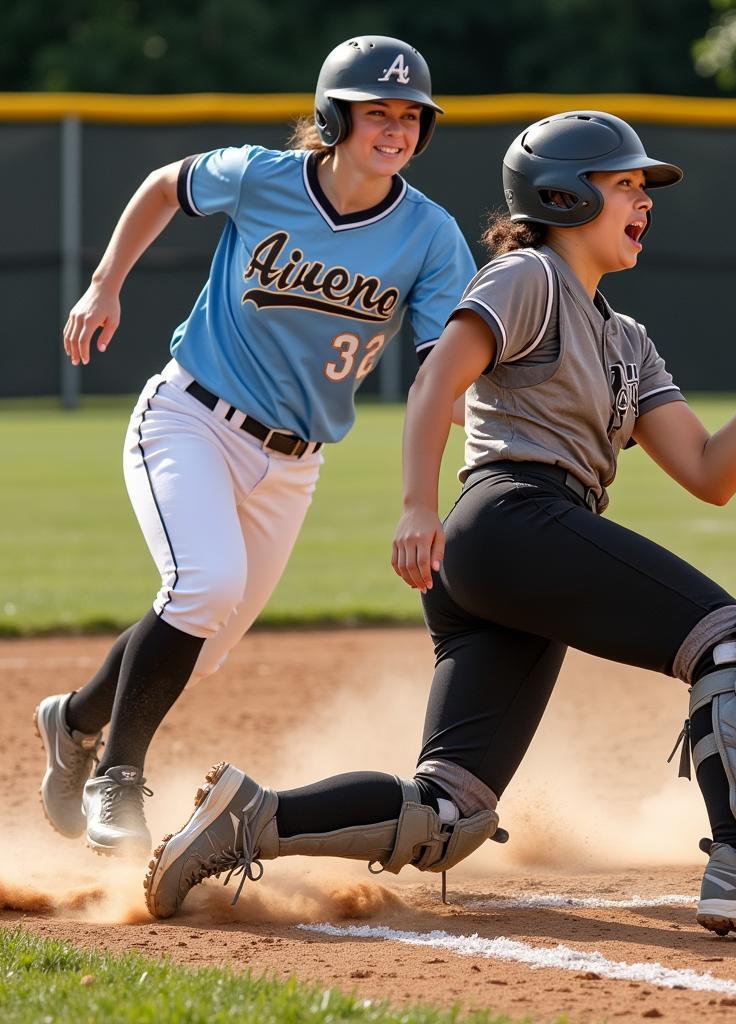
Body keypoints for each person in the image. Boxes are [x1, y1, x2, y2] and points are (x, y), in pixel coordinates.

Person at [143, 110, 736, 940]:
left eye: (644, 189)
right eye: (624, 186)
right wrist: (416, 506)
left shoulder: (627, 341)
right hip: (509, 518)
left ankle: (248, 819)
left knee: (449, 816)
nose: (643, 202)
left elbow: (712, 473)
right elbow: (438, 382)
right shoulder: (526, 276)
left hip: (523, 554)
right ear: (564, 195)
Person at [34, 35, 476, 856]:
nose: (397, 128)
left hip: (295, 461)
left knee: (200, 647)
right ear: (332, 116)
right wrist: (104, 283)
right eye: (376, 111)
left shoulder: (428, 234)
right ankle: (116, 781)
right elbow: (164, 186)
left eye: (412, 115)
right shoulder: (263, 176)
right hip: (191, 417)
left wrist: (468, 410)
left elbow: (444, 355)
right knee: (202, 586)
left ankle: (76, 721)